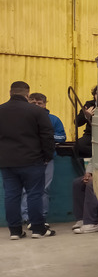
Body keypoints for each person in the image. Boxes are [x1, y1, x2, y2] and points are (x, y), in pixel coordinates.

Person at [0, 81, 56, 239]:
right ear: (27, 94)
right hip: (32, 161)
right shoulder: (37, 111)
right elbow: (47, 136)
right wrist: (47, 156)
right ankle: (38, 229)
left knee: (11, 195)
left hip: (7, 162)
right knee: (35, 194)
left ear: (10, 92)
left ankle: (15, 231)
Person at [21, 92, 67, 226]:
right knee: (26, 189)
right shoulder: (22, 118)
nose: (36, 105)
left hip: (48, 159)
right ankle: (26, 217)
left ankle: (42, 217)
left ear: (45, 104)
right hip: (27, 159)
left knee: (44, 189)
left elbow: (62, 137)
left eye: (39, 103)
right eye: (33, 103)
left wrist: (46, 136)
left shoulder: (53, 119)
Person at [71, 162, 98, 234]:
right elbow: (93, 159)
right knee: (78, 183)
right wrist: (88, 173)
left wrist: (96, 176)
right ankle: (82, 219)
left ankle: (92, 223)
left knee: (91, 184)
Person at [75, 86, 96, 158]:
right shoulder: (89, 105)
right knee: (78, 146)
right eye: (96, 94)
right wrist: (86, 116)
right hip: (90, 134)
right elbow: (77, 122)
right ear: (93, 95)